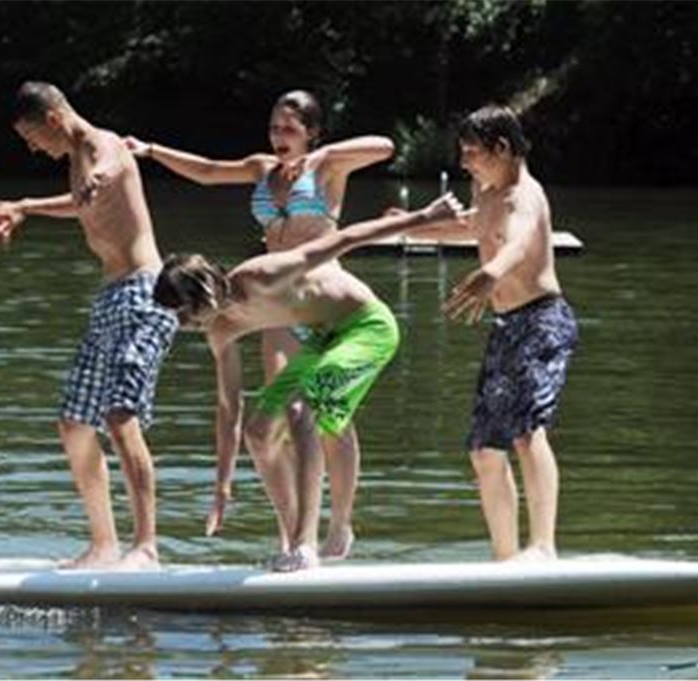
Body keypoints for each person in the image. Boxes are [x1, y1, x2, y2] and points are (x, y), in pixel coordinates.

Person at [126, 90, 394, 560]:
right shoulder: (261, 169)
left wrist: (323, 156)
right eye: (274, 128)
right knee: (272, 424)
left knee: (328, 416)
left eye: (290, 129)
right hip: (276, 308)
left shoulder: (327, 167)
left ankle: (338, 528)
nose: (279, 136)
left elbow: (385, 147)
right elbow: (208, 171)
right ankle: (292, 533)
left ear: (311, 132)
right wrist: (150, 150)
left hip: (321, 294)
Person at [153, 192, 470, 571]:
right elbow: (228, 407)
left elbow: (345, 238)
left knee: (301, 407)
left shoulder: (262, 276)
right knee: (259, 433)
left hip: (367, 327)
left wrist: (425, 217)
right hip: (323, 339)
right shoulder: (220, 331)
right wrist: (222, 485)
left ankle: (317, 539)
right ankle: (294, 538)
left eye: (183, 313)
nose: (182, 324)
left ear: (204, 289)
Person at [0, 82, 178, 570]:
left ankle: (146, 547)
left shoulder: (100, 144)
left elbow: (110, 165)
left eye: (32, 138)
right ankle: (104, 545)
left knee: (120, 416)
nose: (33, 149)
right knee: (74, 424)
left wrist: (96, 178)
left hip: (144, 294)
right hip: (110, 298)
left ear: (53, 119)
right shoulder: (73, 160)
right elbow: (81, 201)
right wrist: (25, 207)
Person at [442, 105, 579, 561]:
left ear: (501, 148)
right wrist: (407, 223)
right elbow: (473, 228)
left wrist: (491, 273)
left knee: (526, 431)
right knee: (484, 450)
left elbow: (518, 243)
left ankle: (543, 546)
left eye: (471, 153)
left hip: (543, 322)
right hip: (507, 328)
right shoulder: (486, 191)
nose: (464, 163)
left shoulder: (526, 195)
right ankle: (504, 558)